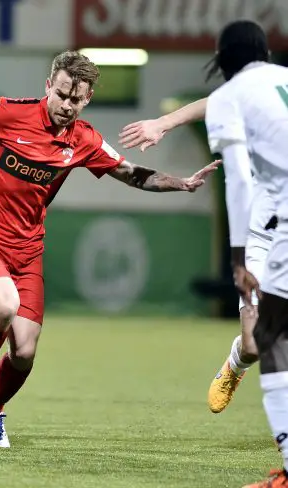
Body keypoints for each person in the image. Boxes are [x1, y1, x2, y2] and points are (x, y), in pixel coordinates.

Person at [0, 50, 220, 448]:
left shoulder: (84, 140)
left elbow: (130, 174)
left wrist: (180, 183)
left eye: (76, 99)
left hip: (26, 250)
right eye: (61, 94)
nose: (66, 105)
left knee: (24, 352)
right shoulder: (8, 112)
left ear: (87, 98)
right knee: (3, 307)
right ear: (48, 86)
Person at [127, 20, 288, 487]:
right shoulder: (250, 90)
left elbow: (236, 180)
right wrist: (163, 122)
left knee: (276, 343)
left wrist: (233, 259)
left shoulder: (236, 94)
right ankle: (237, 360)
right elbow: (216, 113)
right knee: (259, 344)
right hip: (266, 231)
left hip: (269, 231)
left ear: (222, 61)